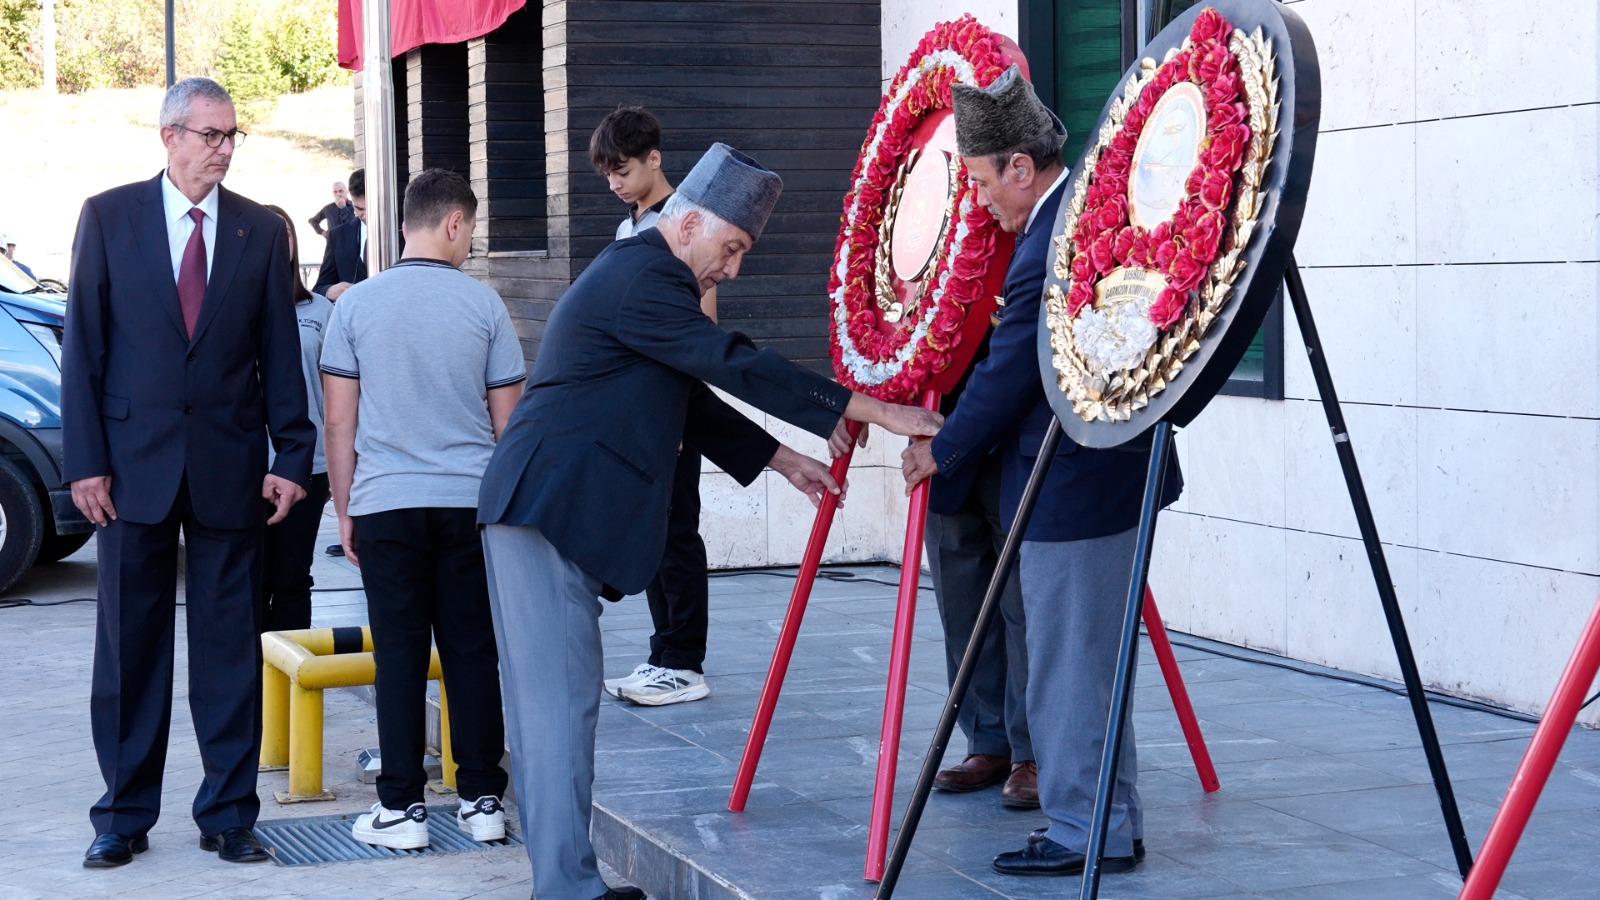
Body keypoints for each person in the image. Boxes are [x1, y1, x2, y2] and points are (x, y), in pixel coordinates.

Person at [477, 143, 943, 900]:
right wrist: (872, 408)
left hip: (546, 510)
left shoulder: (644, 279)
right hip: (546, 510)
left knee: (561, 704)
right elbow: (730, 359)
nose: (732, 269)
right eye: (730, 248)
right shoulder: (645, 275)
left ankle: (569, 883)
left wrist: (782, 458)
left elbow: (687, 394)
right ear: (689, 222)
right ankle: (567, 891)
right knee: (555, 709)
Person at [901, 66, 1182, 877]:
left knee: (1065, 663)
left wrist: (940, 447)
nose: (981, 200)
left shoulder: (1052, 240)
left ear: (1020, 167)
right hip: (1104, 474)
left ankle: (1077, 829)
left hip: (1073, 482)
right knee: (1091, 663)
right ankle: (1105, 824)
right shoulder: (1079, 218)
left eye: (985, 180)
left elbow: (1010, 375)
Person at [61, 76, 313, 868]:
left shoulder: (257, 231)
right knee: (130, 651)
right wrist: (85, 463)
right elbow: (84, 351)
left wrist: (292, 455)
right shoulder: (108, 217)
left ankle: (230, 813)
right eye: (211, 134)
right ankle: (123, 816)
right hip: (129, 472)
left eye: (233, 135)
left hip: (230, 469)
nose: (225, 149)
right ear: (169, 135)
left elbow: (280, 350)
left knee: (229, 648)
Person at [321, 168, 522, 851]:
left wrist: (346, 511)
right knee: (472, 651)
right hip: (469, 504)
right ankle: (482, 800)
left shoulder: (353, 307)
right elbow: (509, 425)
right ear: (454, 223)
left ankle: (401, 810)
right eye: (470, 230)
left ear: (403, 222)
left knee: (400, 654)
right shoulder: (485, 306)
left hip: (384, 505)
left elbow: (339, 425)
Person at [590, 106, 745, 706]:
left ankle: (682, 660)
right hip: (641, 407)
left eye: (623, 170)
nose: (615, 183)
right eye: (607, 174)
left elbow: (698, 331)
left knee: (676, 528)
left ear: (654, 157)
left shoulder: (686, 222)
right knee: (655, 527)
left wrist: (677, 412)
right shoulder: (634, 226)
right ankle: (664, 652)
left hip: (673, 405)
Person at [925, 337, 1035, 808]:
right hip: (936, 425)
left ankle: (1034, 751)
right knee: (961, 598)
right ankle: (987, 741)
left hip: (1016, 426)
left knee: (1024, 605)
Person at [260, 204, 334, 632]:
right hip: (248, 465)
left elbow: (340, 395)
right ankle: (254, 690)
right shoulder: (231, 310)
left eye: (282, 233)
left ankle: (291, 689)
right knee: (250, 580)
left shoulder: (321, 311)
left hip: (309, 466)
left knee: (290, 579)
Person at [313, 168, 368, 300]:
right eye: (359, 209)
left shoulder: (405, 232)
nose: (366, 215)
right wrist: (329, 291)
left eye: (371, 208)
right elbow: (319, 288)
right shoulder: (337, 236)